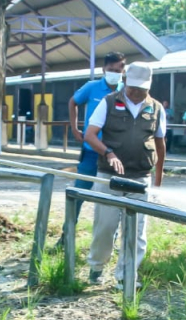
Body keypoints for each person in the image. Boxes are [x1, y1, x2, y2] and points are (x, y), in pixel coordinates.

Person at [84, 61, 166, 288]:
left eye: (142, 90)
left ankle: (126, 276)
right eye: (133, 89)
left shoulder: (156, 108)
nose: (137, 94)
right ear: (125, 82)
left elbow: (160, 144)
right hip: (109, 177)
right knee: (105, 227)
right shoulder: (108, 103)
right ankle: (97, 266)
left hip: (140, 177)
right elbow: (90, 135)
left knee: (136, 231)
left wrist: (158, 182)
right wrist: (108, 153)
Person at [68, 52, 124, 190]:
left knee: (113, 191)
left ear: (123, 71)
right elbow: (73, 102)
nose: (114, 73)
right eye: (111, 70)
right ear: (103, 69)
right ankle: (73, 212)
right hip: (91, 149)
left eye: (118, 71)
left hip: (117, 151)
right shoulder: (91, 87)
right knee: (81, 188)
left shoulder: (126, 90)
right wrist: (74, 129)